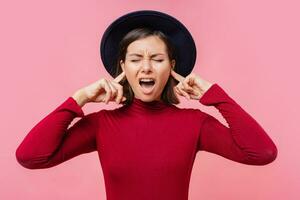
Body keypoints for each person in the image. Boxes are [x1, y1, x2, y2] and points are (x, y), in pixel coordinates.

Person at [15, 10, 278, 200]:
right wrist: (79, 98)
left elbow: (262, 153)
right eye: (136, 59)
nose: (146, 67)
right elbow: (30, 157)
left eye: (157, 58)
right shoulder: (101, 124)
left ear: (172, 67)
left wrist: (216, 95)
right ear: (122, 67)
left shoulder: (194, 123)